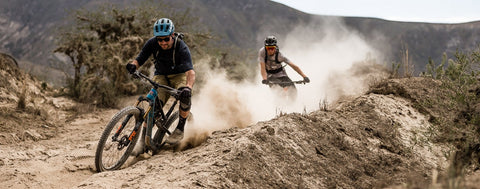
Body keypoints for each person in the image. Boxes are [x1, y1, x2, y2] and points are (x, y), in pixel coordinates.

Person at [126, 18, 195, 144]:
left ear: (172, 35)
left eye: (166, 39)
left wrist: (188, 87)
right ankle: (143, 142)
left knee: (185, 96)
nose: (162, 42)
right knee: (153, 106)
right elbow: (140, 58)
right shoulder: (152, 43)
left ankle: (180, 129)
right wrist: (133, 66)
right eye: (159, 39)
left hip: (178, 75)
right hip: (161, 76)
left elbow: (190, 72)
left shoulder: (181, 46)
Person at [258, 35, 310, 100]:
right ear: (265, 47)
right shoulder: (262, 52)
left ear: (275, 47)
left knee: (293, 90)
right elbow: (262, 68)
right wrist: (264, 79)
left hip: (281, 74)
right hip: (270, 75)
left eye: (272, 48)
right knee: (279, 90)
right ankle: (280, 107)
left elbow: (293, 66)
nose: (270, 50)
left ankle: (292, 106)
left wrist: (304, 76)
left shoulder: (280, 56)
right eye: (268, 48)